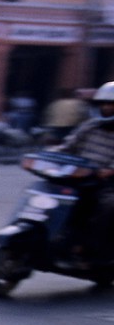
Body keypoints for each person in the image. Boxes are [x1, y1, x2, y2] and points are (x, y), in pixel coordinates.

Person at [56, 81, 114, 267]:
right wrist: (52, 154)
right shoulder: (90, 126)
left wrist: (108, 170)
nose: (107, 108)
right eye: (104, 103)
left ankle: (90, 250)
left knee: (108, 206)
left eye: (111, 104)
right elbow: (68, 146)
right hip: (78, 175)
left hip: (105, 182)